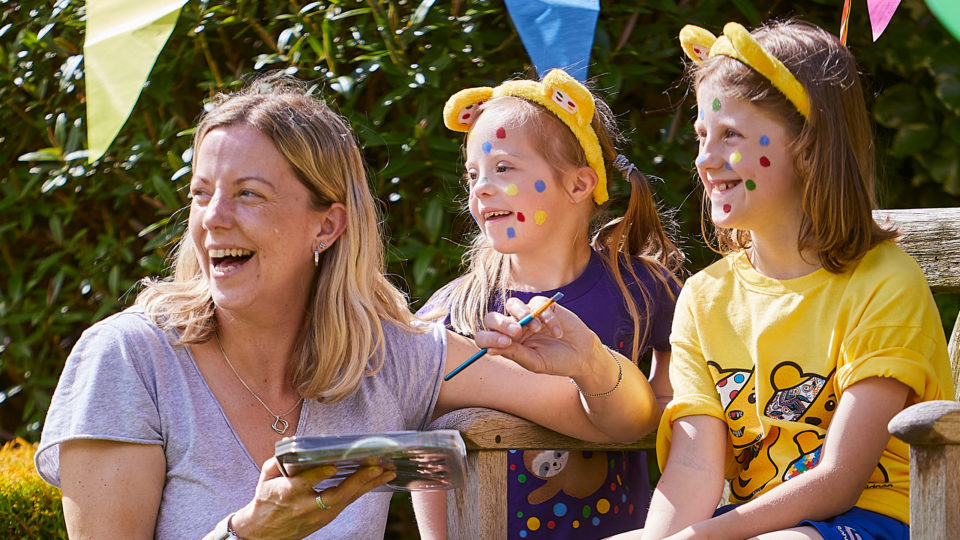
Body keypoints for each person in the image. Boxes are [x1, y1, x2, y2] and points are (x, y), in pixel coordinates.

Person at [33, 76, 663, 539]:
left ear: (328, 226)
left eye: (248, 195)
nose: (212, 220)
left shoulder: (395, 356)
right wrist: (246, 534)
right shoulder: (129, 358)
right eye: (201, 194)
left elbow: (618, 421)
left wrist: (587, 363)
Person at [619, 20, 955, 540]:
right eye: (702, 136)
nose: (705, 160)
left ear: (808, 145)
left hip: (883, 519)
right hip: (756, 528)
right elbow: (691, 469)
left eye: (729, 133)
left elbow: (840, 481)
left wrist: (705, 536)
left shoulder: (883, 284)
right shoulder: (704, 299)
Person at [412, 68, 684, 539]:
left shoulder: (641, 287)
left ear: (579, 185)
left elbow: (679, 406)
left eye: (502, 168)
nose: (478, 188)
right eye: (473, 175)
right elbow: (425, 452)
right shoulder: (454, 309)